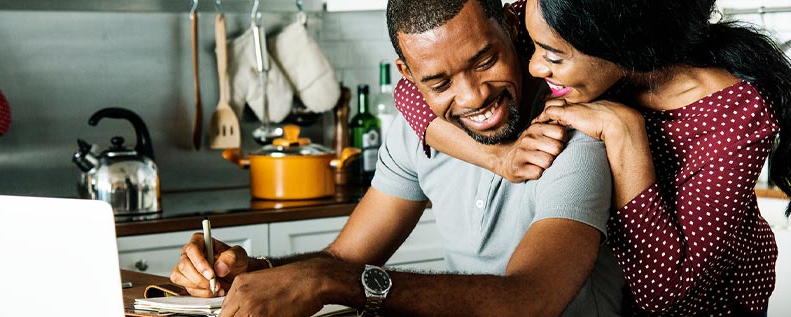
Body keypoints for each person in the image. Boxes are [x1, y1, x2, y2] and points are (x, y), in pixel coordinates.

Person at [170, 0, 627, 316]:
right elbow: (343, 257)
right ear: (409, 77)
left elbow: (530, 300)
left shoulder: (571, 130)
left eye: (484, 61)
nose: (473, 97)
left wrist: (330, 280)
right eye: (440, 82)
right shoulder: (416, 135)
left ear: (512, 29)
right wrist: (253, 272)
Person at [392, 0, 791, 315]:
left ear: (618, 45)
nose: (533, 63)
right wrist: (499, 157)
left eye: (553, 55)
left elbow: (664, 293)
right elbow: (410, 92)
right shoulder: (548, 14)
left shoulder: (734, 113)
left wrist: (625, 131)